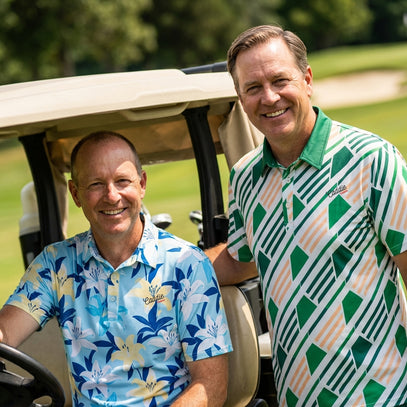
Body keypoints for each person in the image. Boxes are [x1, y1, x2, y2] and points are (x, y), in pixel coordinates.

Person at [206, 25, 407, 406]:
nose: (269, 97)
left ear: (307, 80)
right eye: (252, 88)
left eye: (280, 80)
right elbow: (240, 259)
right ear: (240, 97)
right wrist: (162, 270)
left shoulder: (371, 160)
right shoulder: (246, 177)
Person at [0, 131, 232, 406]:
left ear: (142, 184)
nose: (111, 196)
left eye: (122, 181)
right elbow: (5, 331)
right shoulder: (56, 264)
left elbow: (211, 386)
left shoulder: (187, 264)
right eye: (96, 184)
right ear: (76, 193)